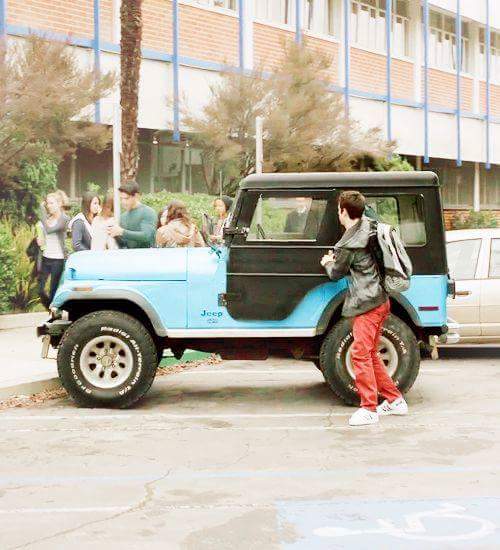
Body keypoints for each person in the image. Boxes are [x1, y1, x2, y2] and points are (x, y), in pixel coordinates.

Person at [320, 190, 408, 427]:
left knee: (360, 354)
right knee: (370, 353)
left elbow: (336, 273)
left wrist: (327, 262)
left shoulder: (348, 243)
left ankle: (368, 408)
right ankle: (395, 400)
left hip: (366, 304)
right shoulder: (370, 227)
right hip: (381, 300)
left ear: (343, 211)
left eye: (339, 209)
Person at [36, 192, 69, 309]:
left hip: (58, 259)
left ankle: (54, 312)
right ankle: (51, 309)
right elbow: (44, 234)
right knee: (40, 289)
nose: (48, 206)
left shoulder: (64, 218)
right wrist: (40, 240)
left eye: (51, 203)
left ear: (59, 204)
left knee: (53, 290)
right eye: (47, 203)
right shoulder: (47, 219)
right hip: (45, 257)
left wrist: (41, 209)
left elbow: (50, 230)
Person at [108, 182, 156, 248]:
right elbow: (124, 244)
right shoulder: (123, 217)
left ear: (136, 196)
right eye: (121, 199)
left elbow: (146, 236)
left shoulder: (147, 212)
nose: (123, 202)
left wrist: (122, 232)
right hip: (129, 254)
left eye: (126, 198)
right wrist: (115, 234)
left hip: (147, 254)